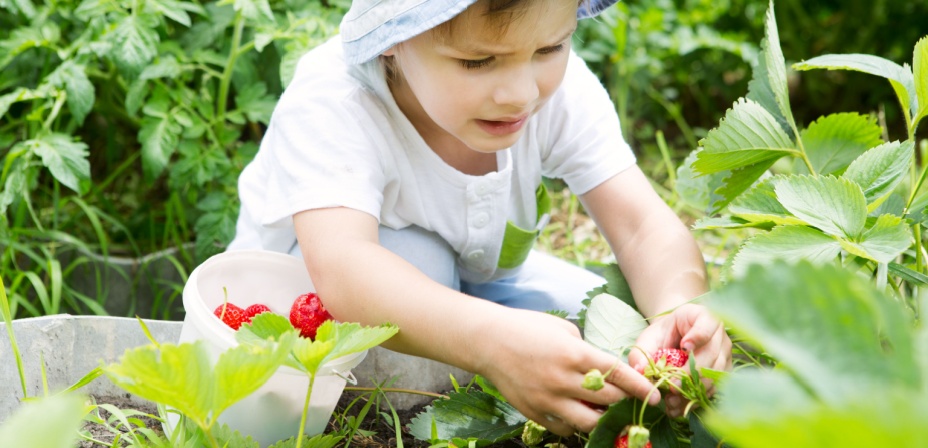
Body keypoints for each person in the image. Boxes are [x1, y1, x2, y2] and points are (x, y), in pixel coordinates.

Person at [228, 0, 732, 436]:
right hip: (321, 305)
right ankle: (458, 372)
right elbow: (344, 268)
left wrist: (677, 309)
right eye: (478, 61)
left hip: (480, 284)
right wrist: (492, 343)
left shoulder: (555, 93)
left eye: (550, 49)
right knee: (417, 263)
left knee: (600, 319)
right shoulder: (336, 103)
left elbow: (643, 226)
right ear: (390, 40)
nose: (520, 92)